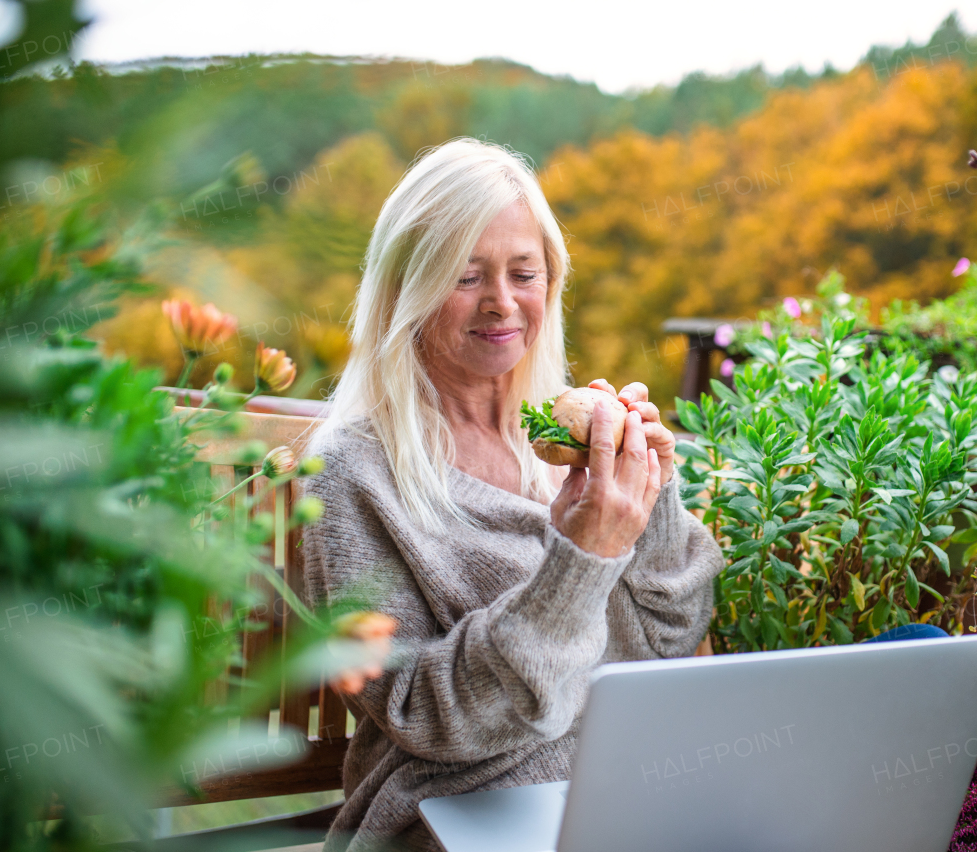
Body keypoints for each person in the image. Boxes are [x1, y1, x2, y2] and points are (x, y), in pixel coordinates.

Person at [302, 138, 723, 852]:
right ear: (408, 288)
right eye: (466, 277)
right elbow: (428, 717)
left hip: (624, 788)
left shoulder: (570, 440)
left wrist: (651, 500)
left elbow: (674, 639)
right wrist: (582, 560)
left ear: (551, 282)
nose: (502, 303)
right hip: (460, 811)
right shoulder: (353, 473)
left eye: (523, 273)